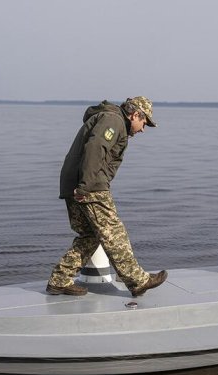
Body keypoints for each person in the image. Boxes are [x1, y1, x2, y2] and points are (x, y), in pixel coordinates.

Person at [47, 97, 168, 297]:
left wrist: (81, 186)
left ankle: (59, 280)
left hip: (74, 183)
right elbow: (95, 149)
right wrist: (85, 187)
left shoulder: (110, 119)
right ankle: (138, 281)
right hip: (89, 185)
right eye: (144, 123)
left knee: (90, 235)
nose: (143, 129)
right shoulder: (113, 120)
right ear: (135, 115)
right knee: (114, 232)